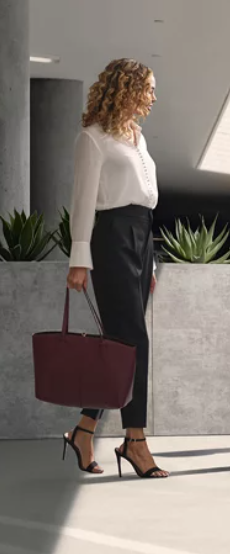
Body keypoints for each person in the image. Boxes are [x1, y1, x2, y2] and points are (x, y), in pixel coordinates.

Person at [62, 58, 165, 478]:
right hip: (111, 238)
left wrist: (152, 260)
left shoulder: (138, 137)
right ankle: (135, 440)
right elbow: (84, 200)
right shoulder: (93, 139)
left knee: (121, 344)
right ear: (128, 89)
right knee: (133, 341)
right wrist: (79, 259)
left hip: (142, 237)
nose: (154, 97)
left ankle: (84, 430)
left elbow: (145, 197)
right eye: (149, 89)